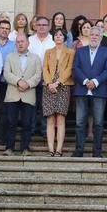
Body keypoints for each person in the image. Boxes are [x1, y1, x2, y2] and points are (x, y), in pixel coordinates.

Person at [72, 26, 107, 157]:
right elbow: (75, 68)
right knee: (79, 123)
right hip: (81, 90)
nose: (94, 37)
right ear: (88, 37)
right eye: (92, 35)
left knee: (99, 123)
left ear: (101, 38)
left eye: (97, 35)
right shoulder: (80, 51)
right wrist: (85, 81)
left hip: (99, 90)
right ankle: (79, 151)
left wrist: (95, 81)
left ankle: (97, 152)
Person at [2, 33, 42, 155]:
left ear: (28, 43)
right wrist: (19, 82)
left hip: (28, 94)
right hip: (13, 94)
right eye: (18, 42)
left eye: (22, 41)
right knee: (11, 122)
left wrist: (27, 84)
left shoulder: (36, 58)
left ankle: (25, 148)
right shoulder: (10, 57)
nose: (20, 43)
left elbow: (38, 75)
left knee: (27, 123)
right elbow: (7, 73)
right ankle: (9, 148)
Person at [42, 27, 74, 156]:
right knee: (50, 118)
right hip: (48, 86)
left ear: (65, 37)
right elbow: (45, 68)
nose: (58, 37)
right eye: (56, 35)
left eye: (61, 35)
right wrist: (50, 83)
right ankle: (50, 149)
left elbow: (69, 69)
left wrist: (58, 82)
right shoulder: (48, 52)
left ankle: (59, 149)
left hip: (63, 86)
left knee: (60, 118)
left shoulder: (70, 52)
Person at [0, 19, 16, 145]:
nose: (4, 30)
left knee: (3, 110)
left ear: (9, 31)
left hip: (6, 82)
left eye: (7, 28)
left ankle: (1, 136)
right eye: (2, 28)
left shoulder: (14, 45)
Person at [28, 16, 55, 135]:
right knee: (32, 104)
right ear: (35, 26)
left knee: (46, 104)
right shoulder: (29, 40)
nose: (42, 27)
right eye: (39, 25)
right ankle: (32, 128)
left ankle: (45, 130)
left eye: (44, 25)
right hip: (32, 77)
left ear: (49, 27)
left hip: (48, 78)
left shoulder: (54, 40)